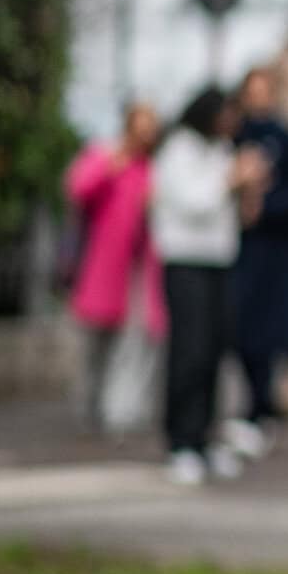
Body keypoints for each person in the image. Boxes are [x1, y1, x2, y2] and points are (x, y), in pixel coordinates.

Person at [150, 88, 268, 485]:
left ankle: (203, 438)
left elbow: (227, 211)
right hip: (185, 262)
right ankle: (180, 441)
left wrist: (248, 193)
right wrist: (232, 180)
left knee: (216, 350)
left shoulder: (220, 150)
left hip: (219, 261)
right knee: (190, 351)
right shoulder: (178, 151)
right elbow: (193, 203)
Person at [227, 65, 288, 455]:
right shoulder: (233, 137)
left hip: (279, 255)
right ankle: (251, 404)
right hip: (242, 252)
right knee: (241, 331)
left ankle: (260, 408)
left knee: (270, 333)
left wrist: (264, 207)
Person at [64, 102, 166, 432]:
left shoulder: (153, 168)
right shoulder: (107, 157)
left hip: (140, 273)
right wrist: (112, 163)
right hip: (103, 269)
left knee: (134, 345)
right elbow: (78, 188)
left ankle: (121, 411)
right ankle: (88, 409)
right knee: (94, 347)